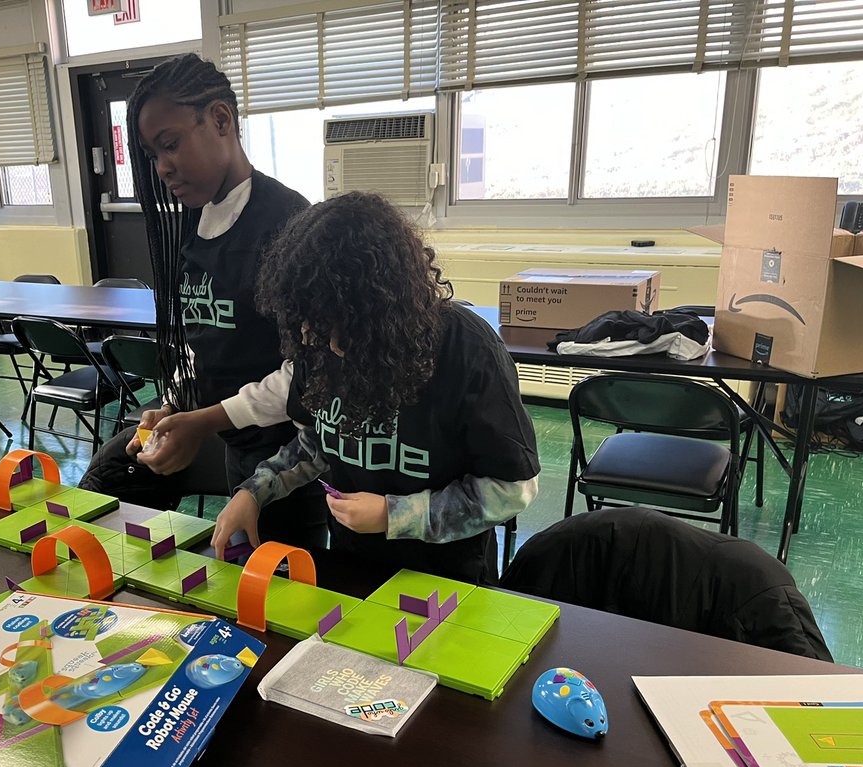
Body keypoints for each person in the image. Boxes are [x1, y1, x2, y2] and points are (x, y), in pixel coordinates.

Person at [211, 192, 541, 585]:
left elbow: (512, 490)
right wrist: (254, 492)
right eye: (308, 322)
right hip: (355, 563)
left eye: (336, 324)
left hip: (447, 577)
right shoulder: (318, 343)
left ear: (378, 308)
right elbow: (319, 443)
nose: (319, 340)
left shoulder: (466, 350)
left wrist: (394, 515)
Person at [78, 53, 325, 548]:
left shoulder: (290, 224)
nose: (162, 168)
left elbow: (312, 371)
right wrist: (176, 404)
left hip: (296, 458)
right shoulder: (195, 220)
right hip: (236, 442)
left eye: (170, 145)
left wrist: (203, 421)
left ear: (220, 120)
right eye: (151, 154)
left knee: (285, 586)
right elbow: (202, 338)